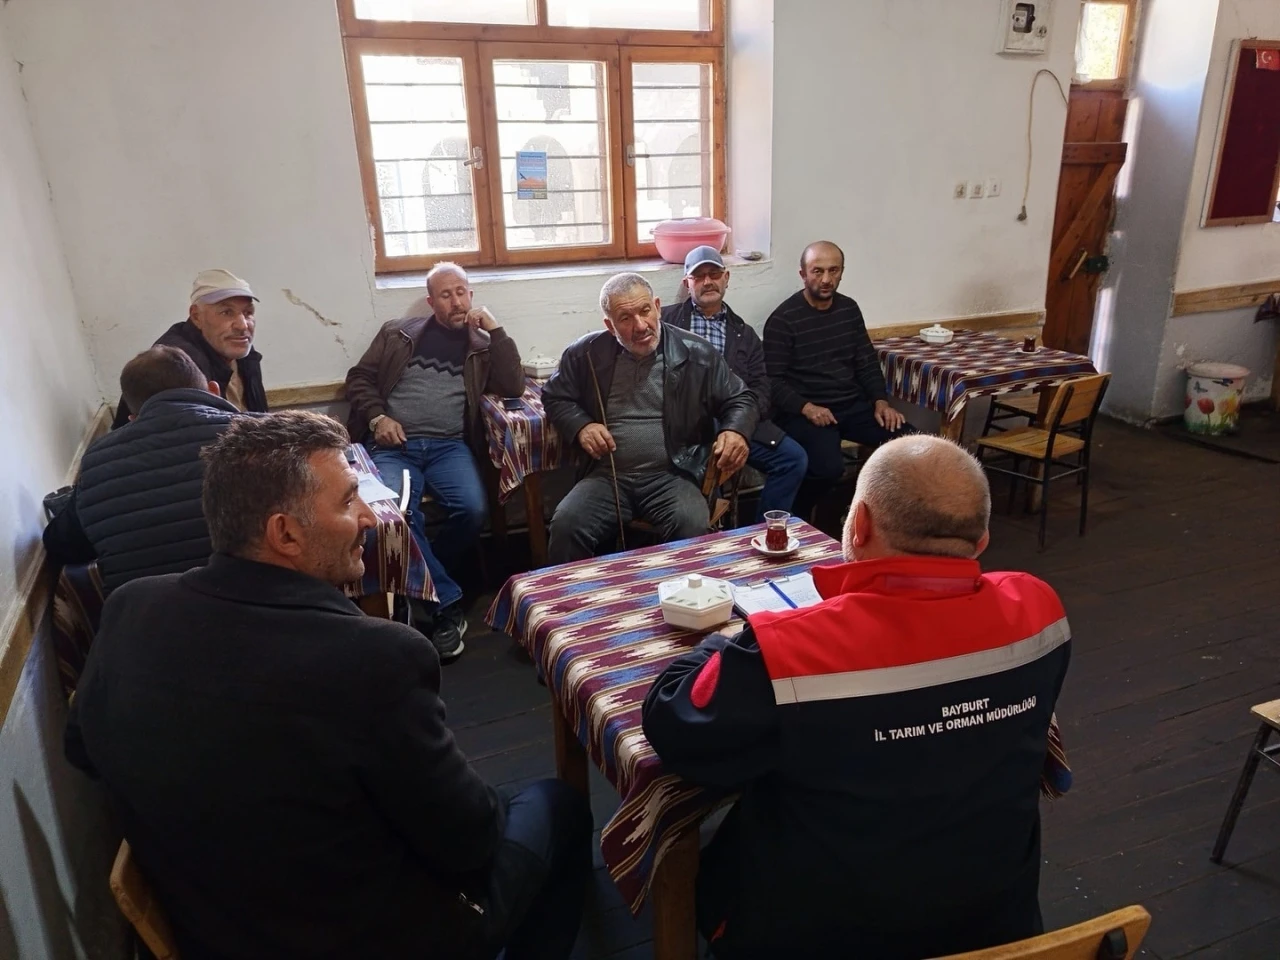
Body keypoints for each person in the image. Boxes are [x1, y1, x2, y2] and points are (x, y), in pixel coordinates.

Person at [65, 411, 592, 960]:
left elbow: (81, 747)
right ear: (285, 534)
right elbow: (472, 841)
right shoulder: (374, 658)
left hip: (211, 928)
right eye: (348, 501)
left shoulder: (130, 608)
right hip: (374, 937)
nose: (368, 517)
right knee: (557, 805)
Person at [642, 435, 1072, 959]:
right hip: (995, 922)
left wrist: (728, 641)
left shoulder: (788, 650)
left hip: (823, 937)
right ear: (981, 540)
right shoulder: (1040, 610)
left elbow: (672, 719)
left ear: (859, 523)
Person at [344, 261, 524, 660]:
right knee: (396, 514)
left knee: (472, 510)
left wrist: (496, 331)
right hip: (394, 447)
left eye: (461, 292)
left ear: (471, 296)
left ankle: (416, 583)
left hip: (448, 447)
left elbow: (513, 385)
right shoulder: (397, 334)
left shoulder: (481, 345)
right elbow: (358, 378)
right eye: (446, 295)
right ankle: (445, 604)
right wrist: (378, 418)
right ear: (431, 302)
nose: (456, 302)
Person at [542, 272, 758, 563]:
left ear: (657, 306)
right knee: (566, 526)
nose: (641, 326)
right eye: (625, 318)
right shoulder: (586, 354)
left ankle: (683, 593)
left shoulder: (697, 352)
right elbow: (555, 396)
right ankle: (581, 593)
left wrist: (735, 431)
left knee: (691, 524)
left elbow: (741, 398)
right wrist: (581, 425)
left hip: (674, 474)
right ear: (610, 325)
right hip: (608, 475)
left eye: (645, 311)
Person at [42, 346, 242, 591]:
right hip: (261, 605)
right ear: (214, 390)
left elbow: (63, 545)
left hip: (147, 613)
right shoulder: (262, 434)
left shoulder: (98, 459)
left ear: (133, 417)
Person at [763, 241, 913, 517]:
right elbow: (772, 382)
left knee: (913, 442)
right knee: (827, 469)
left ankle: (876, 514)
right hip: (806, 411)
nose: (826, 279)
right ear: (803, 274)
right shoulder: (783, 320)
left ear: (842, 272)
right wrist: (807, 408)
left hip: (851, 405)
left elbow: (866, 361)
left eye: (833, 270)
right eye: (817, 271)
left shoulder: (848, 310)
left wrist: (881, 401)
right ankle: (797, 517)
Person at [661, 246, 808, 521]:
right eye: (699, 276)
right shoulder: (665, 323)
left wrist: (738, 426)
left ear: (726, 278)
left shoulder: (745, 334)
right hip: (685, 425)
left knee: (793, 459)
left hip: (735, 419)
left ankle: (763, 531)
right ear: (687, 283)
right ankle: (710, 534)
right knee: (705, 473)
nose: (708, 281)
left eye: (714, 274)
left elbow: (761, 389)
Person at [112, 268, 266, 428]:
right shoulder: (176, 365)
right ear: (196, 316)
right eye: (226, 312)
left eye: (248, 312)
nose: (242, 325)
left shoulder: (241, 349)